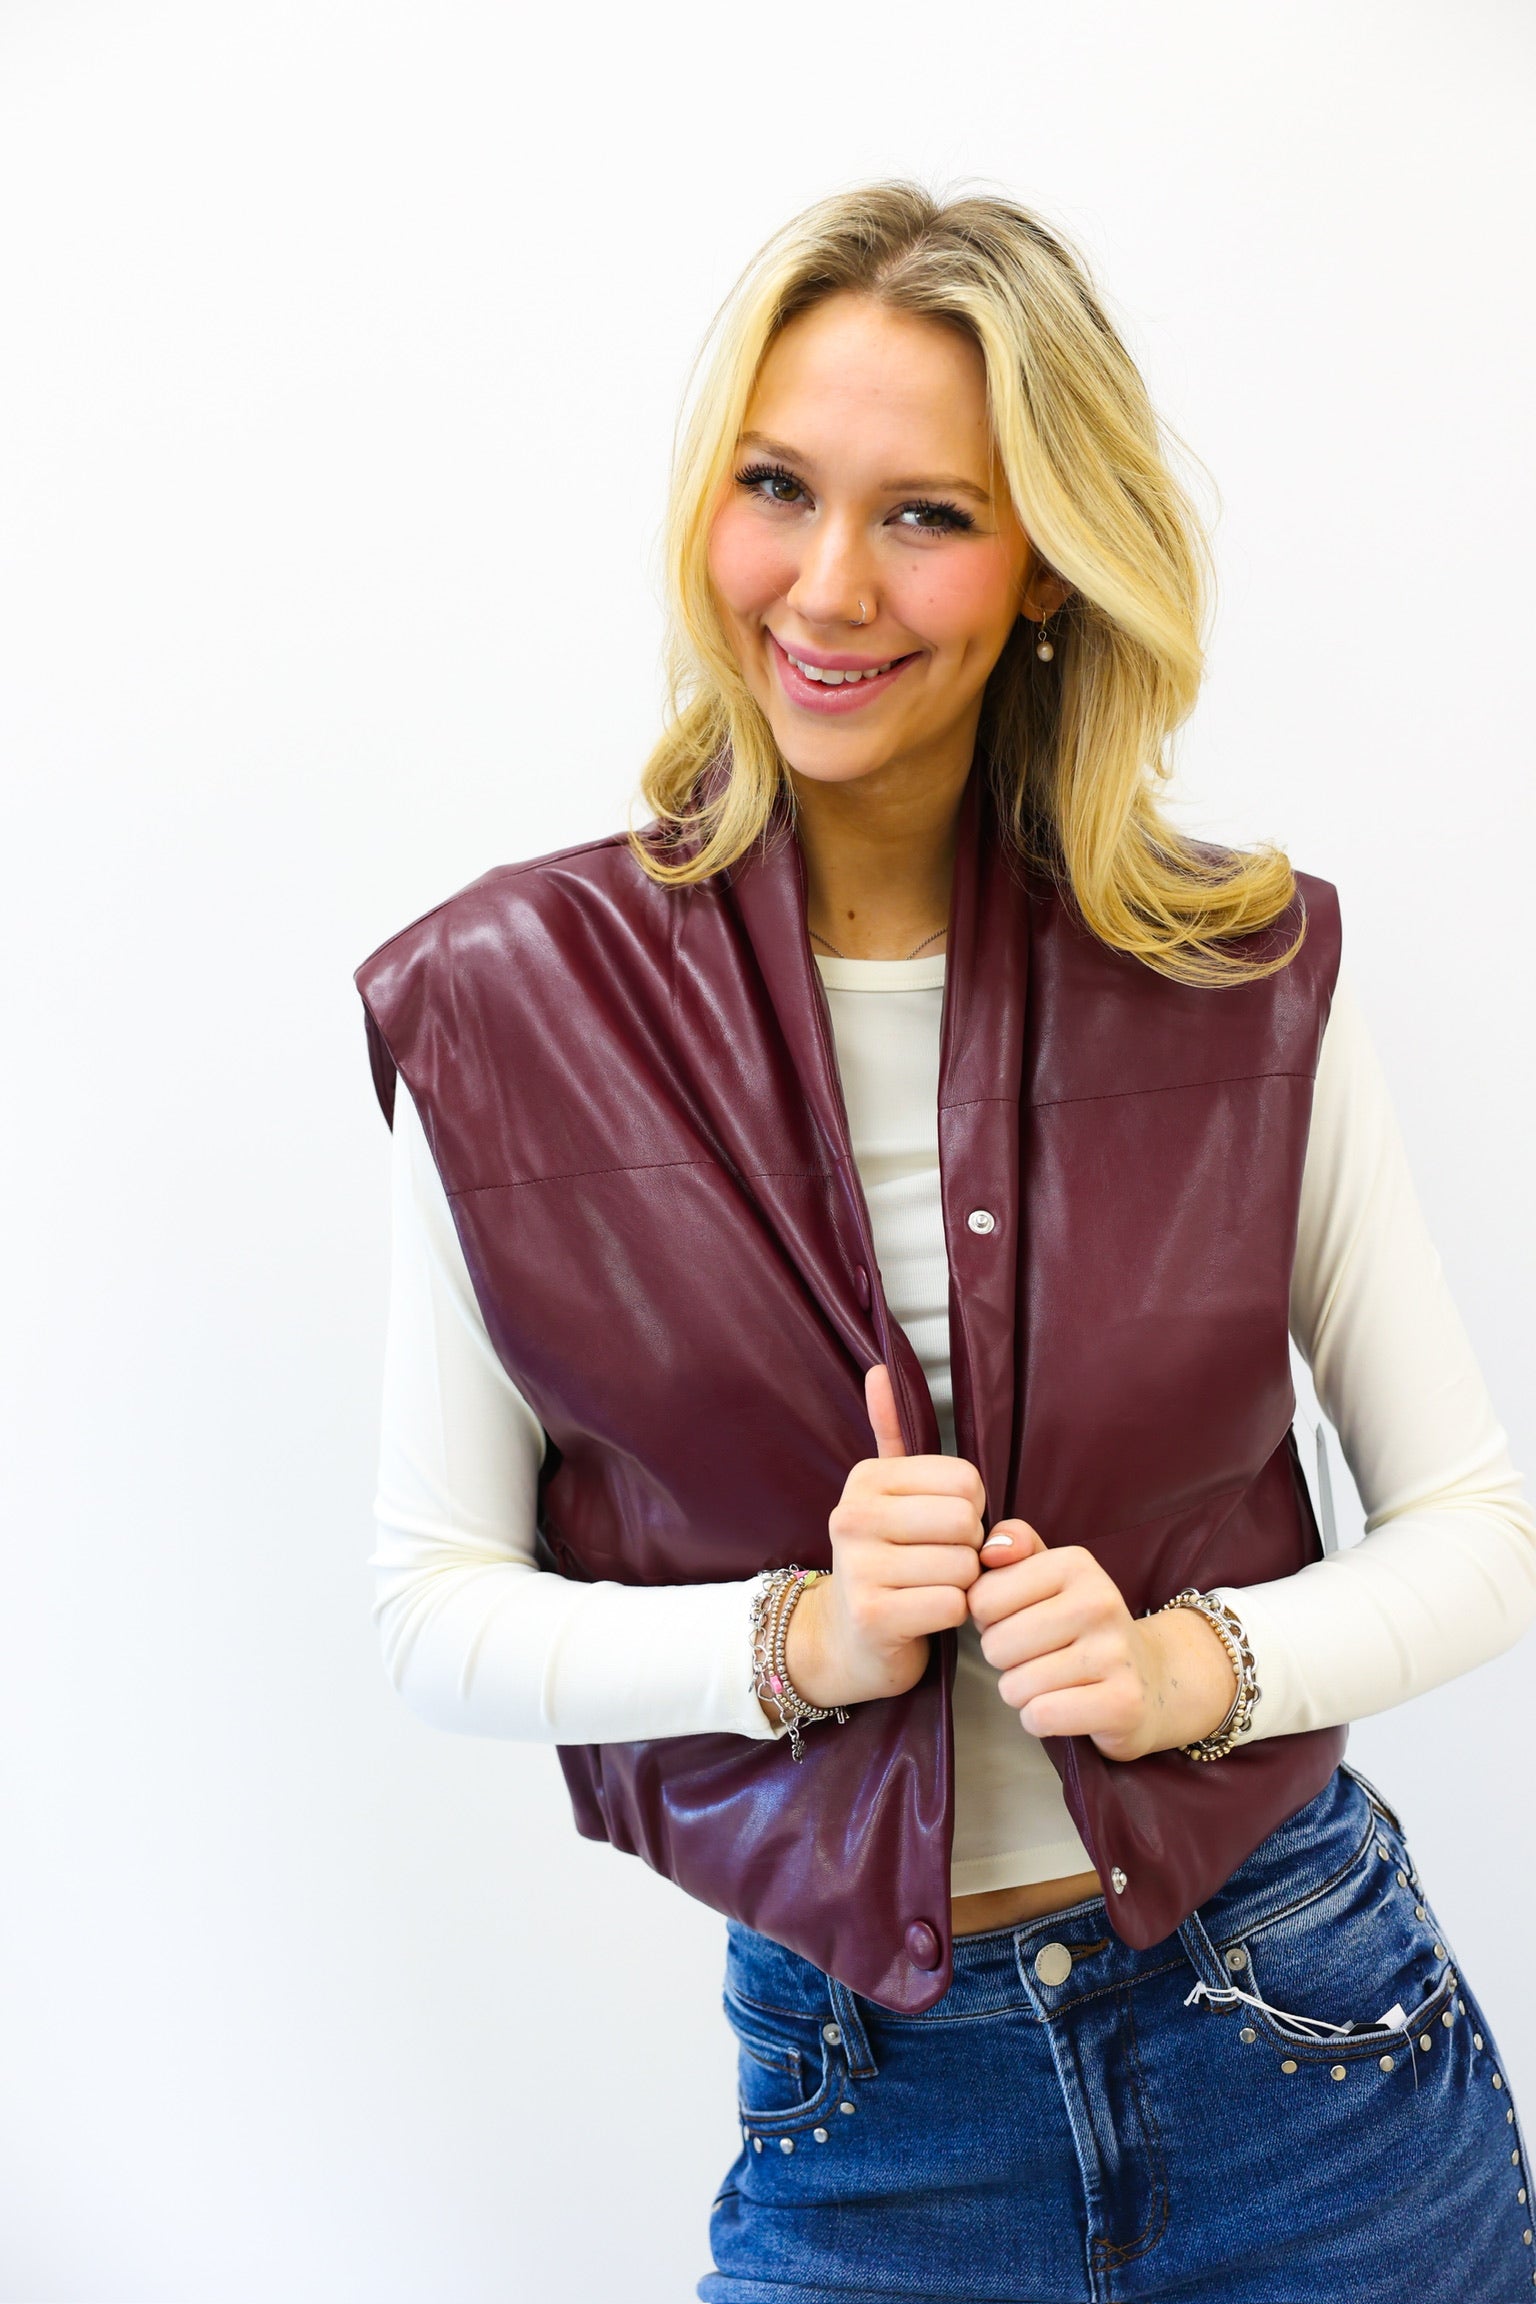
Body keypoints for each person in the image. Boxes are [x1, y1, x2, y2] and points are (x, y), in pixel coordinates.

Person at [354, 183, 1536, 2301]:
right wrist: (789, 1639)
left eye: (927, 515)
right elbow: (432, 1608)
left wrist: (1201, 1667)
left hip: (1313, 2057)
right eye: (779, 488)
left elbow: (1478, 1527)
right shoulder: (507, 1006)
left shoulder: (1239, 974)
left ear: (1050, 572)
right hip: (867, 2111)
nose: (825, 583)